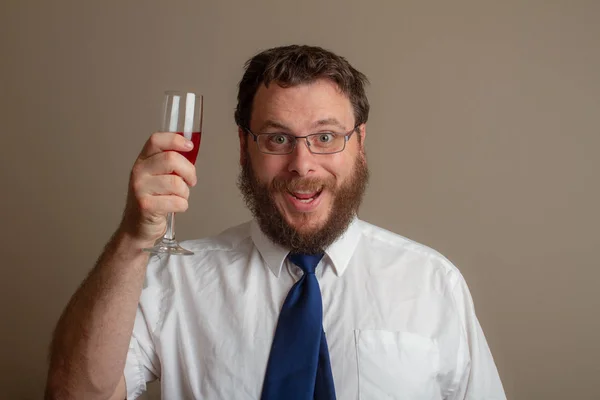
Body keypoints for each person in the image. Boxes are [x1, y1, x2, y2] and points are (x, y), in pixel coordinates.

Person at [45, 45, 506, 400]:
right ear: (245, 148)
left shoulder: (432, 282)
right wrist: (132, 240)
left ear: (359, 143)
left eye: (326, 137)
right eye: (278, 138)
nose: (302, 165)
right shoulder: (174, 279)